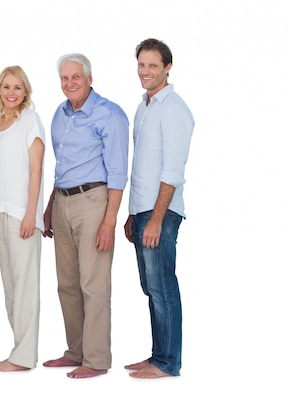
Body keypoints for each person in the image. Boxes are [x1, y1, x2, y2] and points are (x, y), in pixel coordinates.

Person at [42, 53, 129, 378]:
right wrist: (51, 205)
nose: (70, 83)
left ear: (90, 78)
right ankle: (75, 350)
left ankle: (96, 359)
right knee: (67, 284)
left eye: (76, 77)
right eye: (65, 78)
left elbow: (119, 173)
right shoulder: (60, 114)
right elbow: (61, 165)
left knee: (94, 285)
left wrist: (109, 221)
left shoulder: (109, 115)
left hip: (94, 202)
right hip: (63, 203)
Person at [123, 38, 194, 379]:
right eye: (141, 65)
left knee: (163, 285)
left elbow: (171, 171)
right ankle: (157, 356)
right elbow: (143, 166)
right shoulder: (144, 106)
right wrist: (132, 213)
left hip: (160, 214)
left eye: (153, 65)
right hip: (143, 211)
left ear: (167, 67)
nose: (145, 71)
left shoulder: (174, 109)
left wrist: (154, 218)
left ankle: (168, 362)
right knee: (150, 287)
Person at [0, 66, 45, 372]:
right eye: (6, 87)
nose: (11, 92)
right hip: (0, 213)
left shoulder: (30, 121)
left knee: (25, 287)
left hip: (23, 214)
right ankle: (18, 350)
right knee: (10, 287)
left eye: (17, 87)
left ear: (25, 92)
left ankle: (24, 357)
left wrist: (31, 214)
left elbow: (36, 169)